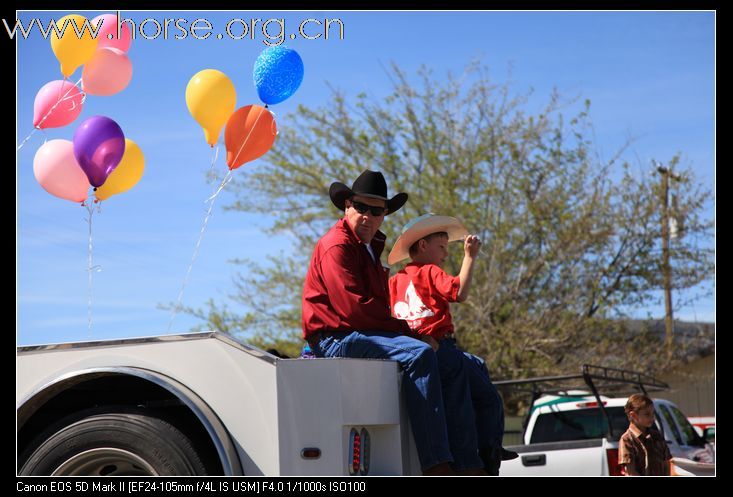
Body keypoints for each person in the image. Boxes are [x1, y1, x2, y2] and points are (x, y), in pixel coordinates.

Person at [302, 170, 459, 476]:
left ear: (384, 214)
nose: (368, 216)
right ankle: (437, 465)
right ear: (347, 205)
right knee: (420, 354)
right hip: (335, 339)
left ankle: (475, 458)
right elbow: (354, 310)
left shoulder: (368, 247)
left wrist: (409, 333)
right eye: (362, 208)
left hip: (356, 333)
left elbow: (371, 311)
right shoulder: (337, 245)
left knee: (461, 363)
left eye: (377, 211)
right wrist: (409, 332)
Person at [388, 214, 517, 475]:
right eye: (442, 247)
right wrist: (470, 256)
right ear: (423, 246)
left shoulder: (393, 281)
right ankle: (479, 460)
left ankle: (485, 450)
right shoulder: (430, 271)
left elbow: (390, 318)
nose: (446, 254)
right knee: (476, 402)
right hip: (442, 349)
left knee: (477, 366)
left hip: (413, 352)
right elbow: (459, 292)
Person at [618, 393, 672, 476]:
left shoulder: (657, 436)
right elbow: (631, 472)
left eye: (653, 413)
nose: (652, 417)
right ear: (634, 415)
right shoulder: (627, 440)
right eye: (647, 414)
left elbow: (666, 464)